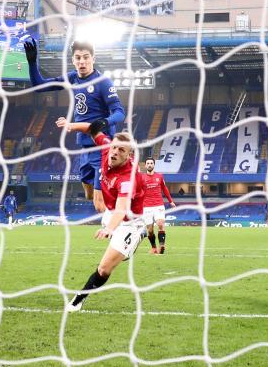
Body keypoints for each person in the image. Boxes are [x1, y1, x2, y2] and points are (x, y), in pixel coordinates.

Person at [24, 38, 125, 219]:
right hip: (85, 148)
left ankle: (118, 231)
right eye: (78, 58)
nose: (82, 61)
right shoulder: (72, 78)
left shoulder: (103, 82)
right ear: (73, 60)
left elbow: (119, 112)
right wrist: (32, 62)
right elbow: (39, 86)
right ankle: (121, 201)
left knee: (98, 201)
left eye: (86, 57)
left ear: (93, 58)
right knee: (88, 194)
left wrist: (104, 122)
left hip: (102, 147)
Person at [59, 120, 146, 312]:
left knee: (104, 269)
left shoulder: (127, 178)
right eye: (114, 147)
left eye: (121, 151)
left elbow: (122, 209)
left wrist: (109, 229)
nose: (115, 152)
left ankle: (78, 300)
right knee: (101, 209)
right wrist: (71, 125)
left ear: (128, 155)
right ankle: (121, 242)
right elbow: (93, 130)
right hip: (110, 212)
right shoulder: (108, 149)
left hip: (129, 222)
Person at [139, 157, 175, 254]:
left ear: (154, 165)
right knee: (150, 230)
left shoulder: (159, 176)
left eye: (151, 163)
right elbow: (138, 191)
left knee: (160, 224)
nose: (150, 165)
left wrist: (170, 201)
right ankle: (154, 248)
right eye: (148, 163)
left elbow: (165, 189)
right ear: (145, 165)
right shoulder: (141, 177)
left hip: (158, 205)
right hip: (146, 206)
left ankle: (162, 246)